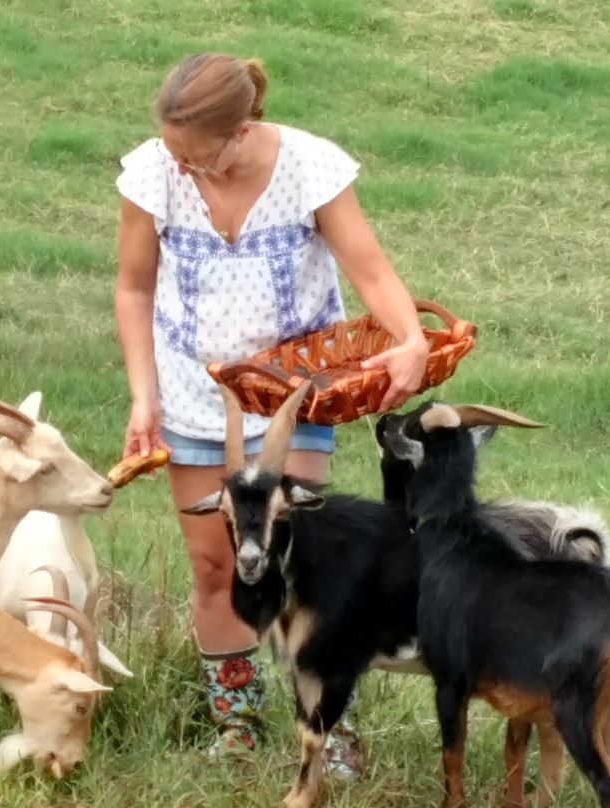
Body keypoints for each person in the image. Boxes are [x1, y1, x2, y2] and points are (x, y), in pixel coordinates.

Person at [113, 53, 429, 768]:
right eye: (174, 153)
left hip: (295, 397)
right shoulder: (153, 173)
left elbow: (371, 270)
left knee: (305, 565)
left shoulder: (310, 167)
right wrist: (144, 395)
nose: (182, 168)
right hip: (195, 402)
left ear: (242, 130)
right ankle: (239, 725)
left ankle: (327, 727)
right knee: (215, 564)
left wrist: (410, 340)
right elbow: (133, 288)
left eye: (197, 157)